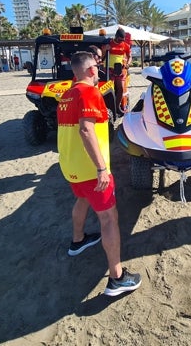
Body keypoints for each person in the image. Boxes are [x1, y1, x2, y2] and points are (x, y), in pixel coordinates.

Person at [57, 51, 141, 296]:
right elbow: (85, 130)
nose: (98, 70)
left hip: (72, 168)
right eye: (96, 66)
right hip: (90, 169)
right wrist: (102, 168)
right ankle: (117, 277)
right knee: (109, 218)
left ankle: (78, 240)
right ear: (91, 70)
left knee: (81, 199)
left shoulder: (66, 95)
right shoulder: (90, 92)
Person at [104, 27, 131, 114]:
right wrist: (105, 49)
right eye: (119, 39)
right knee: (109, 89)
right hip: (109, 69)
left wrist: (128, 64)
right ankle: (109, 108)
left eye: (122, 40)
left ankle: (117, 107)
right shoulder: (109, 43)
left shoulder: (125, 45)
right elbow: (102, 56)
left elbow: (130, 56)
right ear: (115, 36)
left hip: (120, 69)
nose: (120, 41)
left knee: (121, 89)